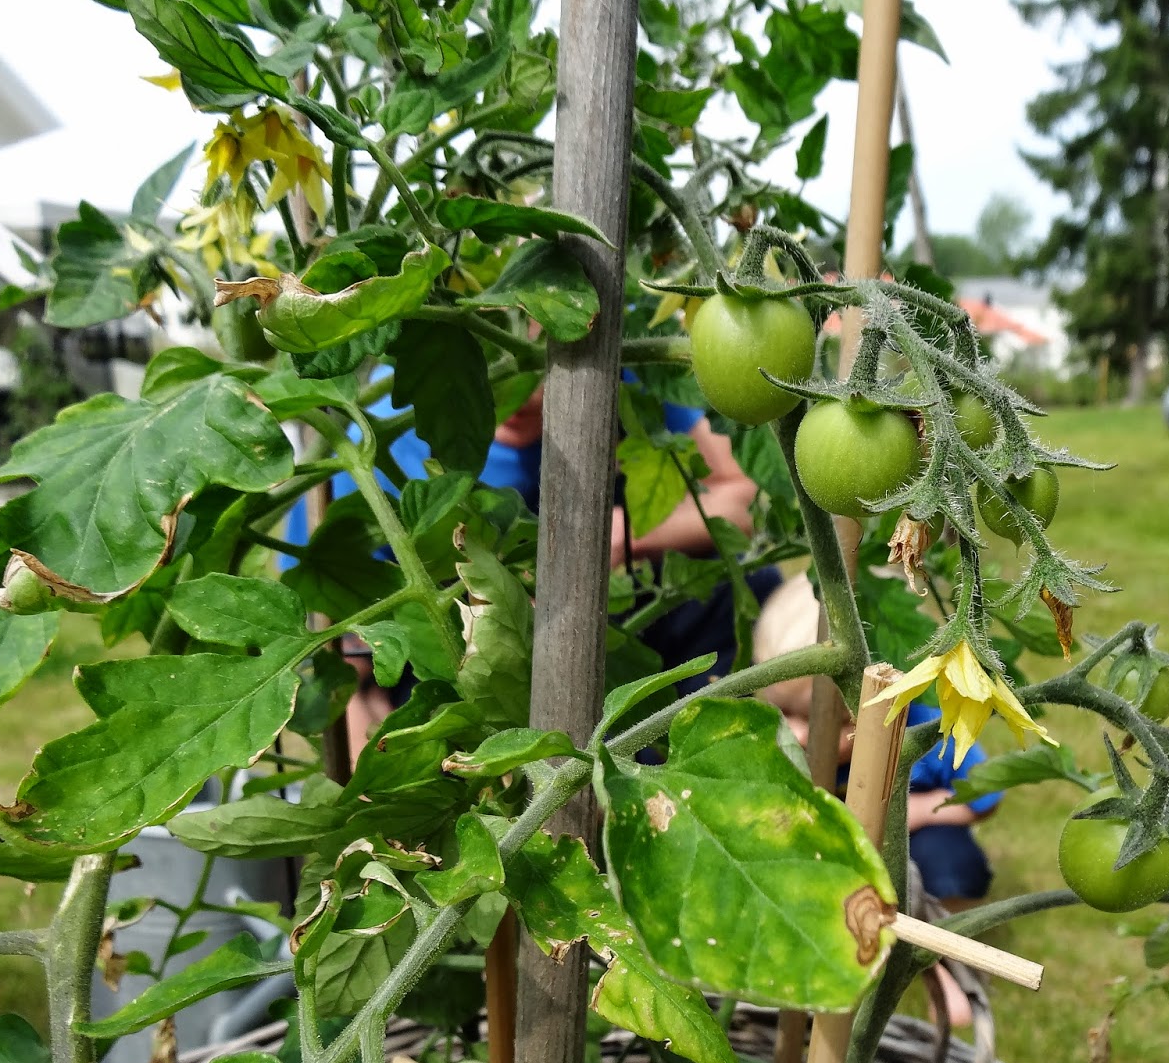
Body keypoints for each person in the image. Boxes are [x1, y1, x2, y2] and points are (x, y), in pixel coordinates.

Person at [280, 368, 775, 758]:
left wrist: (616, 536)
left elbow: (744, 499)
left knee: (745, 584)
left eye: (543, 367)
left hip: (626, 631)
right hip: (464, 686)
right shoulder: (372, 447)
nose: (525, 397)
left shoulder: (622, 377)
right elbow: (344, 679)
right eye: (496, 368)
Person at [753, 572, 1001, 1025]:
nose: (799, 734)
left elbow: (986, 796)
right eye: (783, 711)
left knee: (948, 861)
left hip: (909, 848)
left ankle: (938, 962)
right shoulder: (775, 749)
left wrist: (922, 811)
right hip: (828, 858)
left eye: (826, 720)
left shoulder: (928, 728)